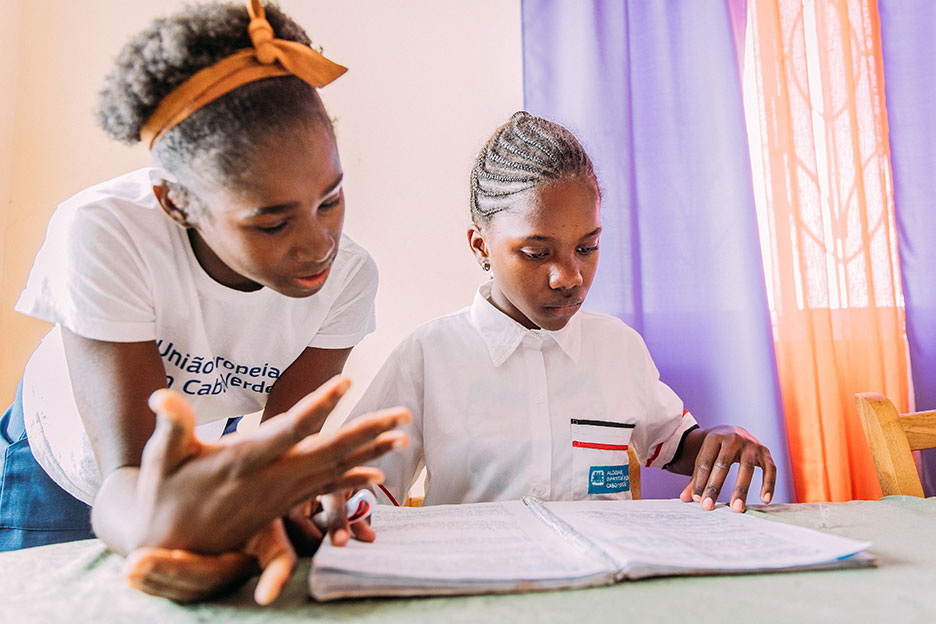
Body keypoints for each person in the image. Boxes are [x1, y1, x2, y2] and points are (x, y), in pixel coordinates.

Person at [0, 0, 409, 604]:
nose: (319, 244)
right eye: (271, 224)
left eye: (331, 199)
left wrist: (298, 507)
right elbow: (128, 477)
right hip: (65, 472)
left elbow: (277, 454)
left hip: (194, 483)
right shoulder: (103, 231)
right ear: (175, 202)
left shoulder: (349, 277)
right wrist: (162, 534)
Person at [348, 112, 776, 511]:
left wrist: (720, 441)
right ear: (481, 246)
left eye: (587, 248)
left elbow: (674, 443)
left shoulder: (617, 347)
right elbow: (356, 492)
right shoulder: (429, 356)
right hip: (481, 584)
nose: (569, 277)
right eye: (537, 253)